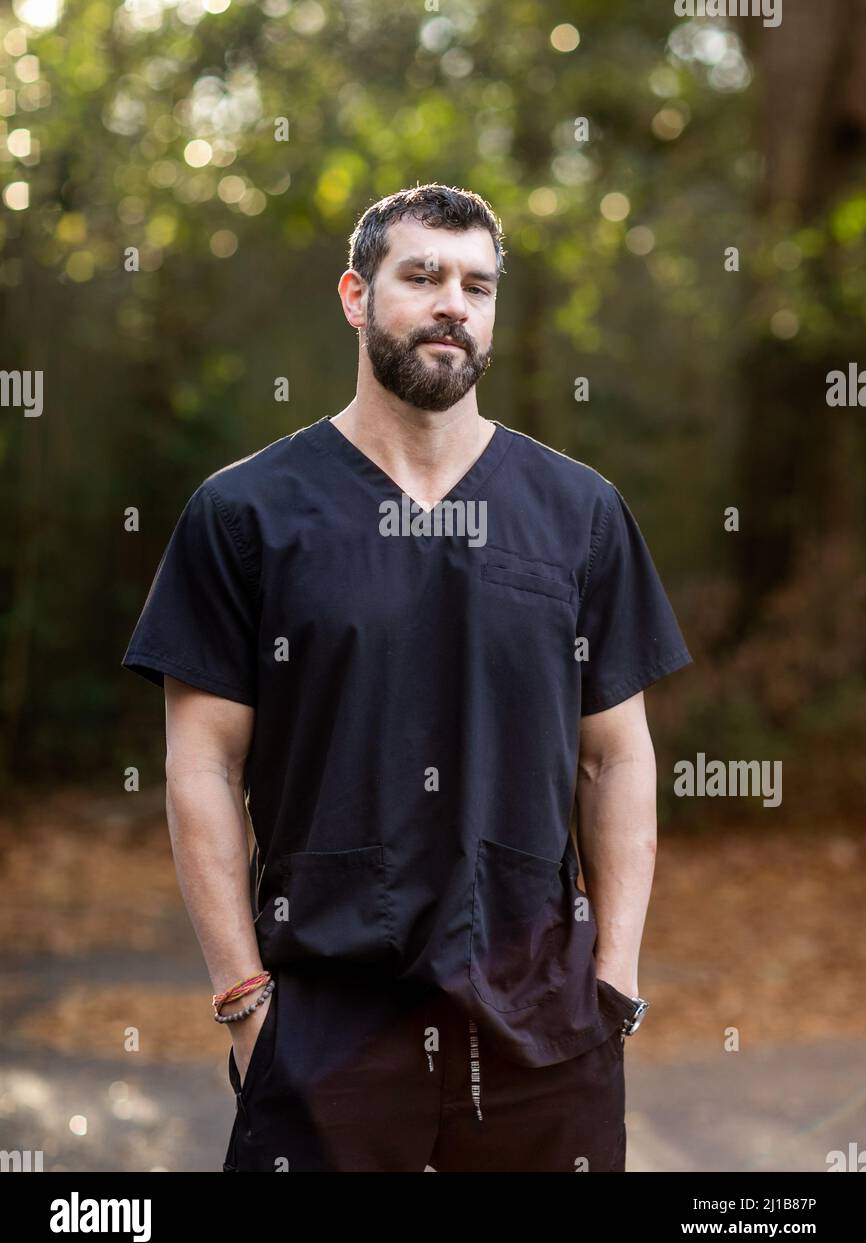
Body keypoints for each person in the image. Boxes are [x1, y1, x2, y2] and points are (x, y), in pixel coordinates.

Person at [121, 182, 692, 1172]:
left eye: (476, 285)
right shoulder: (246, 514)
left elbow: (615, 759)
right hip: (322, 1022)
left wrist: (611, 983)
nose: (451, 305)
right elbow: (202, 766)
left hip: (543, 1030)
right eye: (421, 275)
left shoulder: (578, 513)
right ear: (355, 295)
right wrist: (244, 1000)